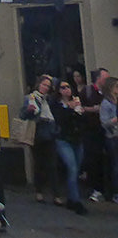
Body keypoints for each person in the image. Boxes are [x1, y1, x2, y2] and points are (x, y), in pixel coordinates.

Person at [22, 74, 62, 205]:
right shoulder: (31, 98)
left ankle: (56, 194)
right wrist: (29, 110)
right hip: (38, 131)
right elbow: (23, 115)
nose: (45, 88)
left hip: (50, 130)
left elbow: (57, 83)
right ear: (38, 84)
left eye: (48, 86)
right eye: (44, 84)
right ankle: (39, 191)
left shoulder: (50, 99)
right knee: (39, 163)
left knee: (52, 164)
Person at [51, 80, 87, 214]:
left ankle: (72, 199)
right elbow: (60, 119)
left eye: (68, 87)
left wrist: (79, 111)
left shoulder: (76, 102)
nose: (66, 89)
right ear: (58, 90)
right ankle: (76, 201)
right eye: (63, 87)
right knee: (72, 167)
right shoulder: (57, 105)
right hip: (63, 140)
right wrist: (69, 109)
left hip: (77, 139)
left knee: (76, 170)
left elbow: (83, 121)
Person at [80, 68, 109, 202]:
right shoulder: (87, 91)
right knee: (94, 159)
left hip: (107, 131)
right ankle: (96, 189)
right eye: (105, 77)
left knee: (108, 159)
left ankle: (107, 189)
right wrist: (94, 109)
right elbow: (79, 108)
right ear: (98, 78)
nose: (107, 80)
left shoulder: (108, 92)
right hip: (91, 131)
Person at [99, 77, 118, 204]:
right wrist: (115, 119)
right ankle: (115, 193)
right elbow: (104, 123)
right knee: (116, 165)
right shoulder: (106, 103)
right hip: (112, 137)